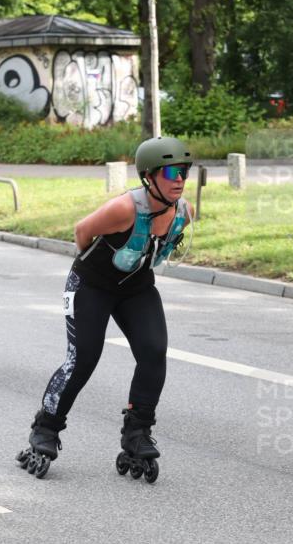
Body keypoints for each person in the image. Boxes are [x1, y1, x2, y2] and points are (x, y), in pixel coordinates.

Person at [15, 135, 195, 482]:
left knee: (153, 352)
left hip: (136, 288)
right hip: (92, 285)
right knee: (83, 358)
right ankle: (46, 428)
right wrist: (93, 269)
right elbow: (82, 232)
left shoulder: (183, 212)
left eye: (184, 171)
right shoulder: (125, 208)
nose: (179, 179)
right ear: (149, 175)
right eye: (171, 171)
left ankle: (137, 432)